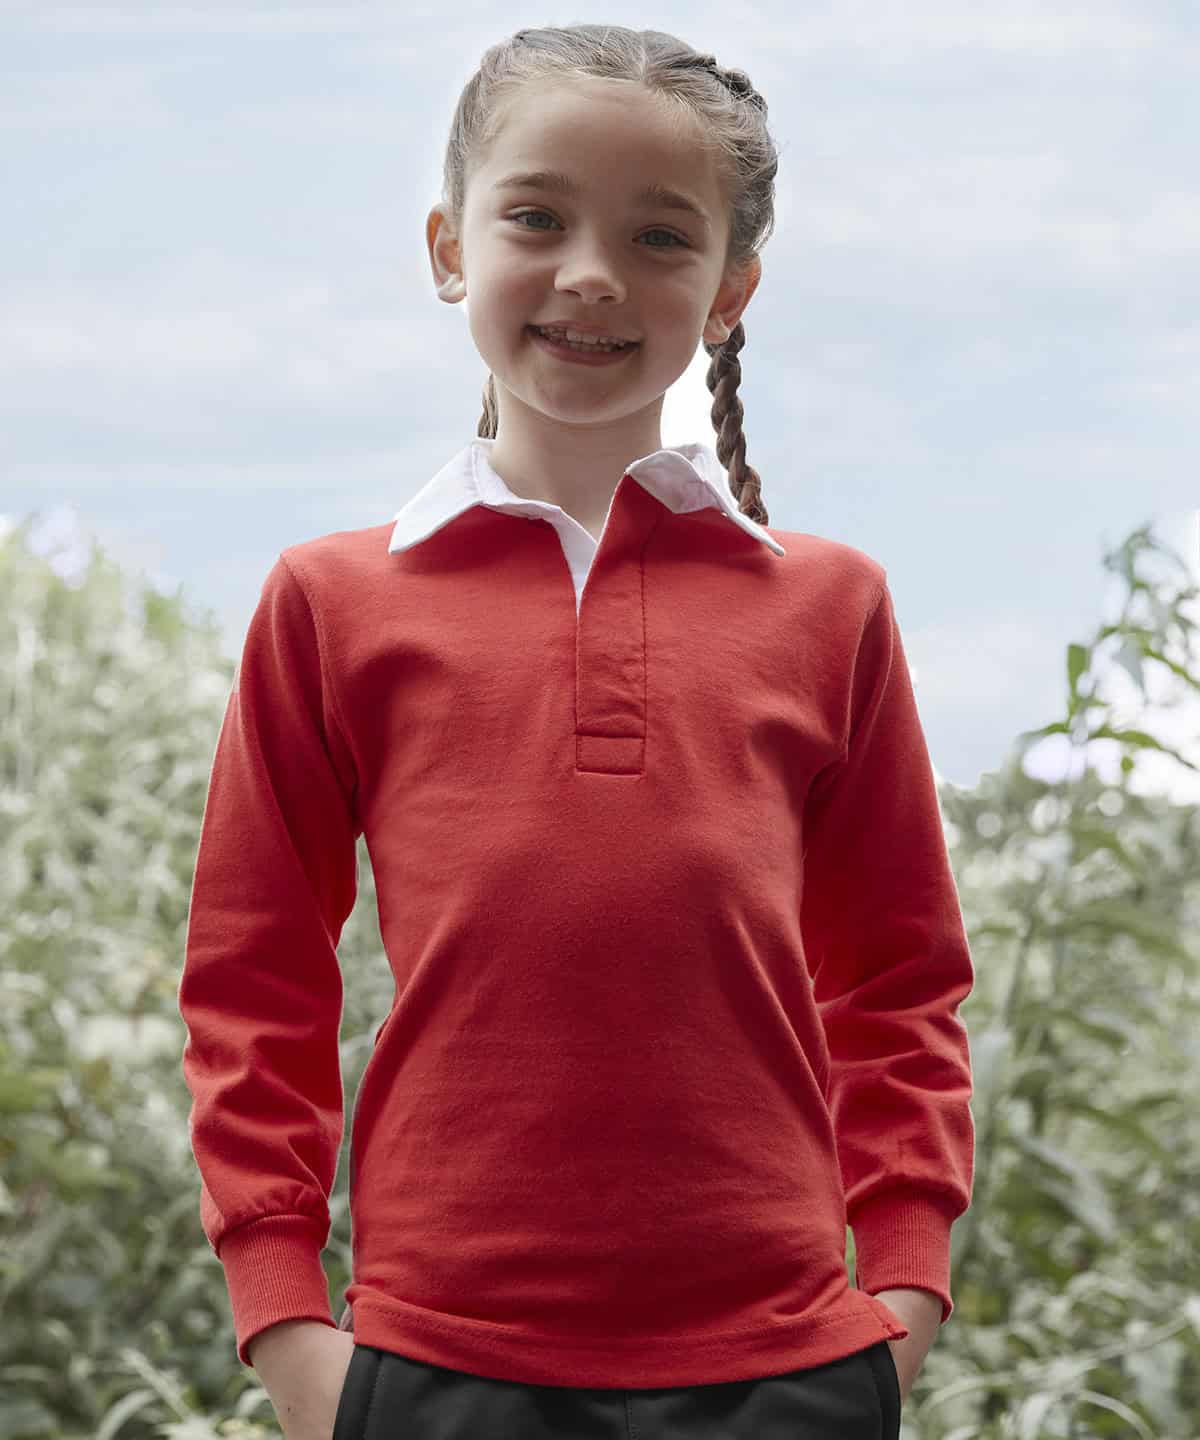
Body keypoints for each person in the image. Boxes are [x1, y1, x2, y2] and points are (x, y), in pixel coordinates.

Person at [178, 23, 975, 1440]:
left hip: (786, 1371)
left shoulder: (832, 607)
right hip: (432, 1368)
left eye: (661, 237)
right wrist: (288, 1326)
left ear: (729, 291)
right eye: (536, 217)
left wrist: (900, 1298)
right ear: (447, 247)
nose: (592, 272)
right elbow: (255, 981)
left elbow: (900, 981)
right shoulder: (330, 602)